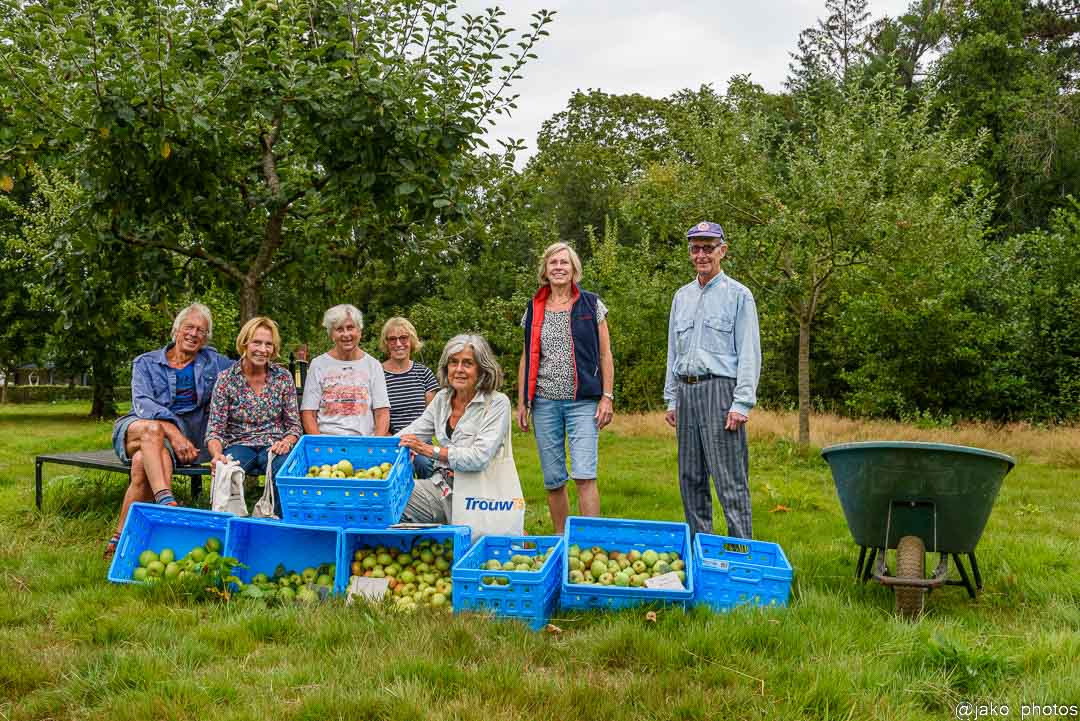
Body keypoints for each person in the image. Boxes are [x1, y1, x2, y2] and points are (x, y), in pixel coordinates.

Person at [105, 303, 233, 558]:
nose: (194, 334)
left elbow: (246, 365)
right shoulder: (145, 362)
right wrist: (174, 432)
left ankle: (119, 539)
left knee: (142, 463)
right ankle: (166, 503)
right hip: (138, 428)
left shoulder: (214, 362)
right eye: (189, 327)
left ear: (206, 338)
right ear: (176, 330)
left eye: (201, 331)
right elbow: (142, 403)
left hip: (175, 444)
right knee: (153, 430)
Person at [664, 221, 761, 539]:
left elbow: (749, 352)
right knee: (690, 478)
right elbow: (673, 351)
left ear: (723, 250)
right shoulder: (681, 296)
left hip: (721, 392)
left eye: (708, 247)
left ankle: (741, 554)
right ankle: (700, 550)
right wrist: (672, 398)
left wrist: (742, 402)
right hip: (686, 391)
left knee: (729, 479)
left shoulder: (739, 296)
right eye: (696, 248)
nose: (702, 255)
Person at [517, 242, 614, 534]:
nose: (559, 267)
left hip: (583, 401)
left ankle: (587, 542)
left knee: (584, 474)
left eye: (565, 262)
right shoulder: (533, 310)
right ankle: (561, 539)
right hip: (545, 402)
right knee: (554, 479)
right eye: (553, 263)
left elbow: (605, 354)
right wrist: (523, 401)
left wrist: (606, 396)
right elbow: (526, 356)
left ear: (574, 270)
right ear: (545, 271)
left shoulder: (591, 304)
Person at [397, 334, 512, 524]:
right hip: (443, 487)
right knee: (389, 498)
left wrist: (427, 449)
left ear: (482, 369)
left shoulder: (497, 403)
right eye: (453, 363)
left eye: (467, 363)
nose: (459, 370)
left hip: (482, 496)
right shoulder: (442, 398)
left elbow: (478, 458)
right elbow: (413, 432)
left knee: (398, 504)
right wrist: (382, 447)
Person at [205, 317, 302, 515]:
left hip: (273, 444)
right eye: (257, 342)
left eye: (268, 344)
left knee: (284, 469)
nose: (262, 349)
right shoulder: (226, 379)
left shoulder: (283, 377)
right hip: (239, 444)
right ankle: (229, 525)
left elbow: (294, 426)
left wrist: (287, 442)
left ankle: (278, 523)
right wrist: (216, 455)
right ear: (245, 343)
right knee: (225, 471)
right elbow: (215, 429)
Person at [301, 304, 390, 436]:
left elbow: (382, 413)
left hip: (364, 443)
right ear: (331, 334)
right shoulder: (318, 365)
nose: (346, 334)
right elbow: (308, 413)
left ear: (359, 331)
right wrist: (320, 446)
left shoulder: (373, 365)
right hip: (327, 441)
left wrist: (373, 447)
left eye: (350, 328)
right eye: (339, 329)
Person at [380, 317, 439, 478]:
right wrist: (395, 442)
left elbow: (432, 417)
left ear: (411, 340)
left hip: (421, 440)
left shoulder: (424, 373)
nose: (398, 343)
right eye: (392, 339)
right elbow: (375, 417)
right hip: (391, 440)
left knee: (425, 463)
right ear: (386, 343)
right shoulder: (377, 374)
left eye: (403, 338)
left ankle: (434, 500)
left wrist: (416, 444)